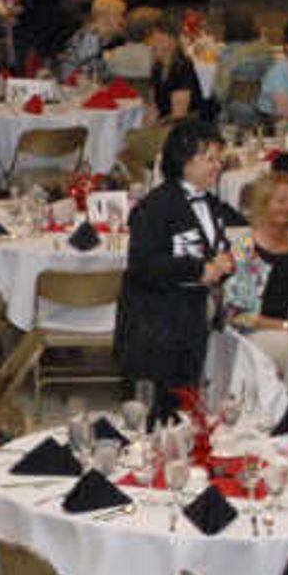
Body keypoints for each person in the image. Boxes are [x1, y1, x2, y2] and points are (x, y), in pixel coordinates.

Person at [116, 123, 240, 414]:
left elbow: (241, 236)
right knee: (154, 414)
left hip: (191, 322)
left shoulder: (213, 203)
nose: (217, 166)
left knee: (185, 408)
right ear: (184, 161)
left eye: (218, 159)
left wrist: (232, 259)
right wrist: (199, 270)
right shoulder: (156, 206)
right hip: (153, 328)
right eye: (209, 158)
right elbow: (143, 265)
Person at [229, 171, 288, 374]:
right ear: (263, 204)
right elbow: (238, 315)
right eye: (280, 201)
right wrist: (286, 326)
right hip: (260, 332)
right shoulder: (245, 249)